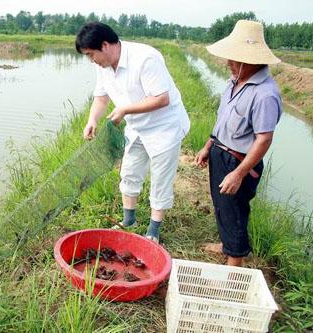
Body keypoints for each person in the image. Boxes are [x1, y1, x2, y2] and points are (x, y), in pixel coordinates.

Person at [75, 22, 190, 242]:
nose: (91, 60)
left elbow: (161, 98)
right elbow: (101, 97)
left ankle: (154, 230)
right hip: (137, 126)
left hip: (164, 126)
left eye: (91, 54)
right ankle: (129, 220)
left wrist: (125, 109)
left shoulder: (145, 58)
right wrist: (92, 120)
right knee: (129, 171)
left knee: (160, 178)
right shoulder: (103, 66)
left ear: (105, 45)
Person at [194, 20, 282, 266]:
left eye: (233, 59)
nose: (228, 64)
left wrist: (238, 174)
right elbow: (222, 121)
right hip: (221, 154)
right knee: (222, 205)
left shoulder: (265, 94)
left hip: (240, 162)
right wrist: (208, 147)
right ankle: (226, 244)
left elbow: (264, 139)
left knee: (235, 213)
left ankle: (234, 266)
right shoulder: (234, 83)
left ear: (250, 60)